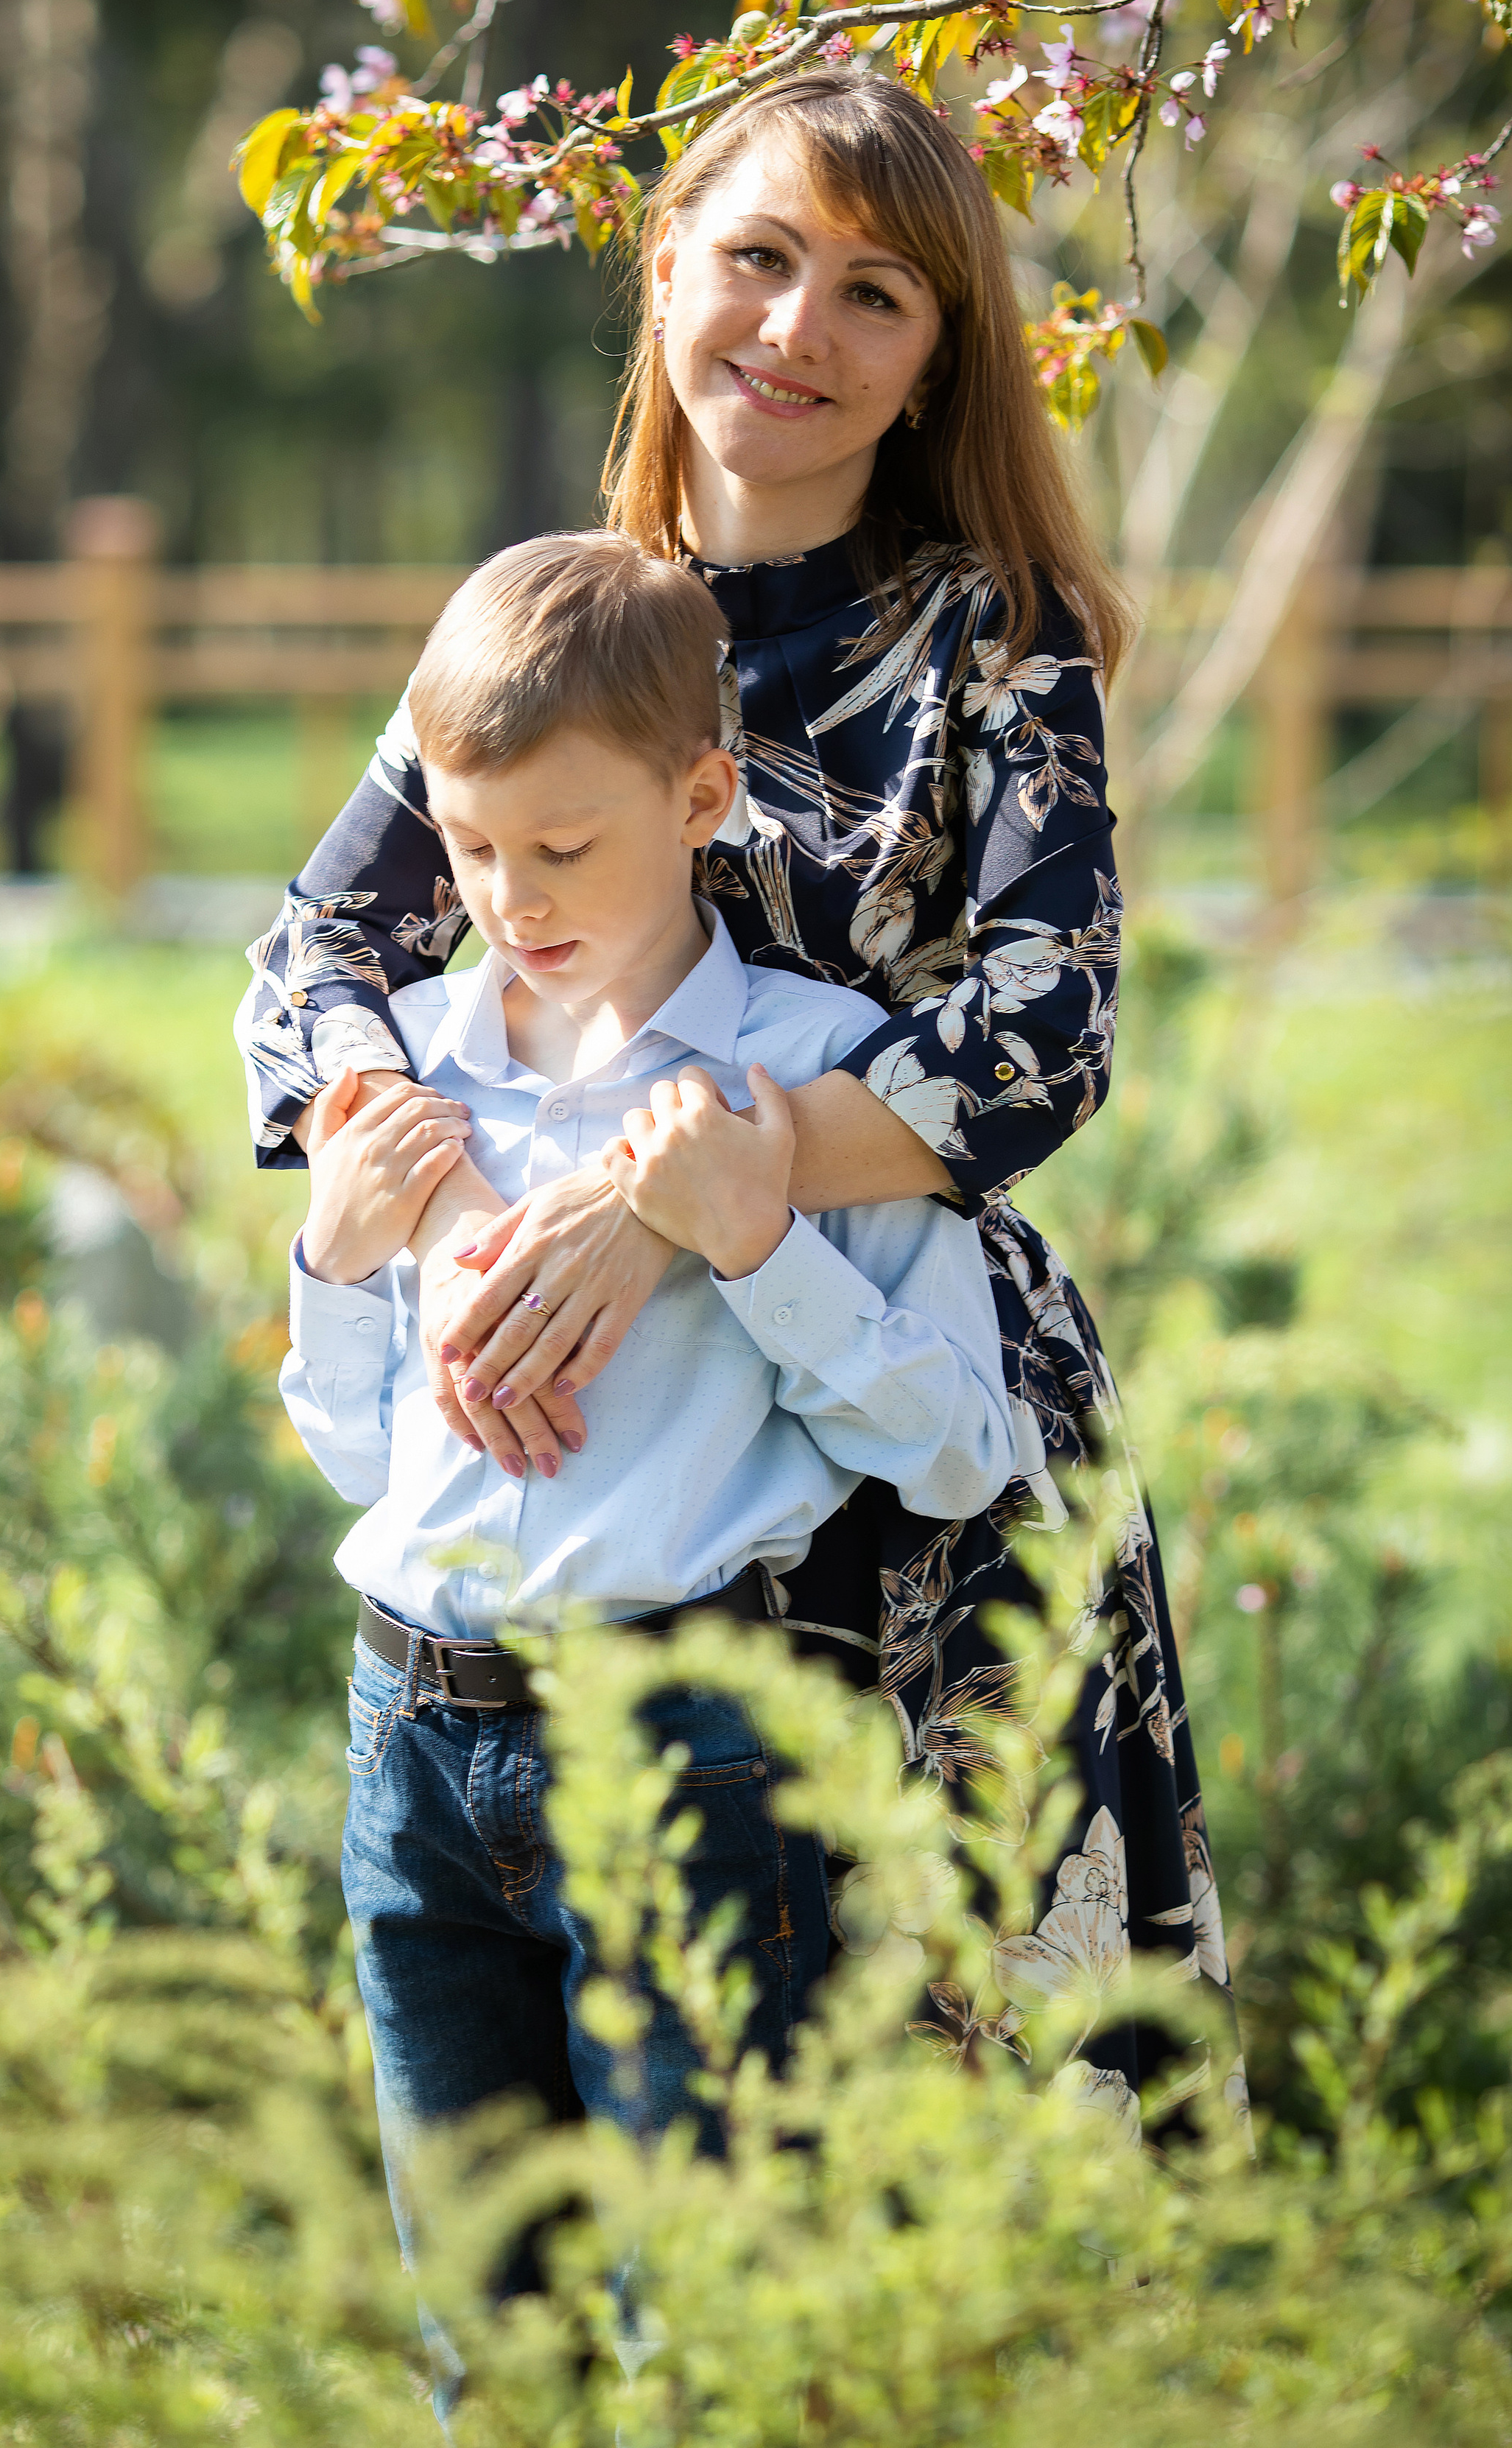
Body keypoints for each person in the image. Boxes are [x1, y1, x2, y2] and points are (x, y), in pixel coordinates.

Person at [237, 68, 1233, 2110]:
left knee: (922, 2128)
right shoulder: (563, 625)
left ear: (940, 353)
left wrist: (675, 1195)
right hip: (587, 1472)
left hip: (906, 1462)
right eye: (763, 258)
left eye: (877, 294)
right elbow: (312, 964)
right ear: (669, 255)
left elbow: (1047, 1034)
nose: (798, 332)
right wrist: (435, 1195)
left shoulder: (991, 637)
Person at [259, 533, 1014, 2367]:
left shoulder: (807, 1073)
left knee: (694, 2307)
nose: (504, 897)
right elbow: (360, 1461)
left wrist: (749, 1242)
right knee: (479, 2316)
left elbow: (954, 1447)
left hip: (672, 1742)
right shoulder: (409, 1073)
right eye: (464, 844)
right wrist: (333, 1257)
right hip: (409, 1744)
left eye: (560, 847)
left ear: (702, 792)